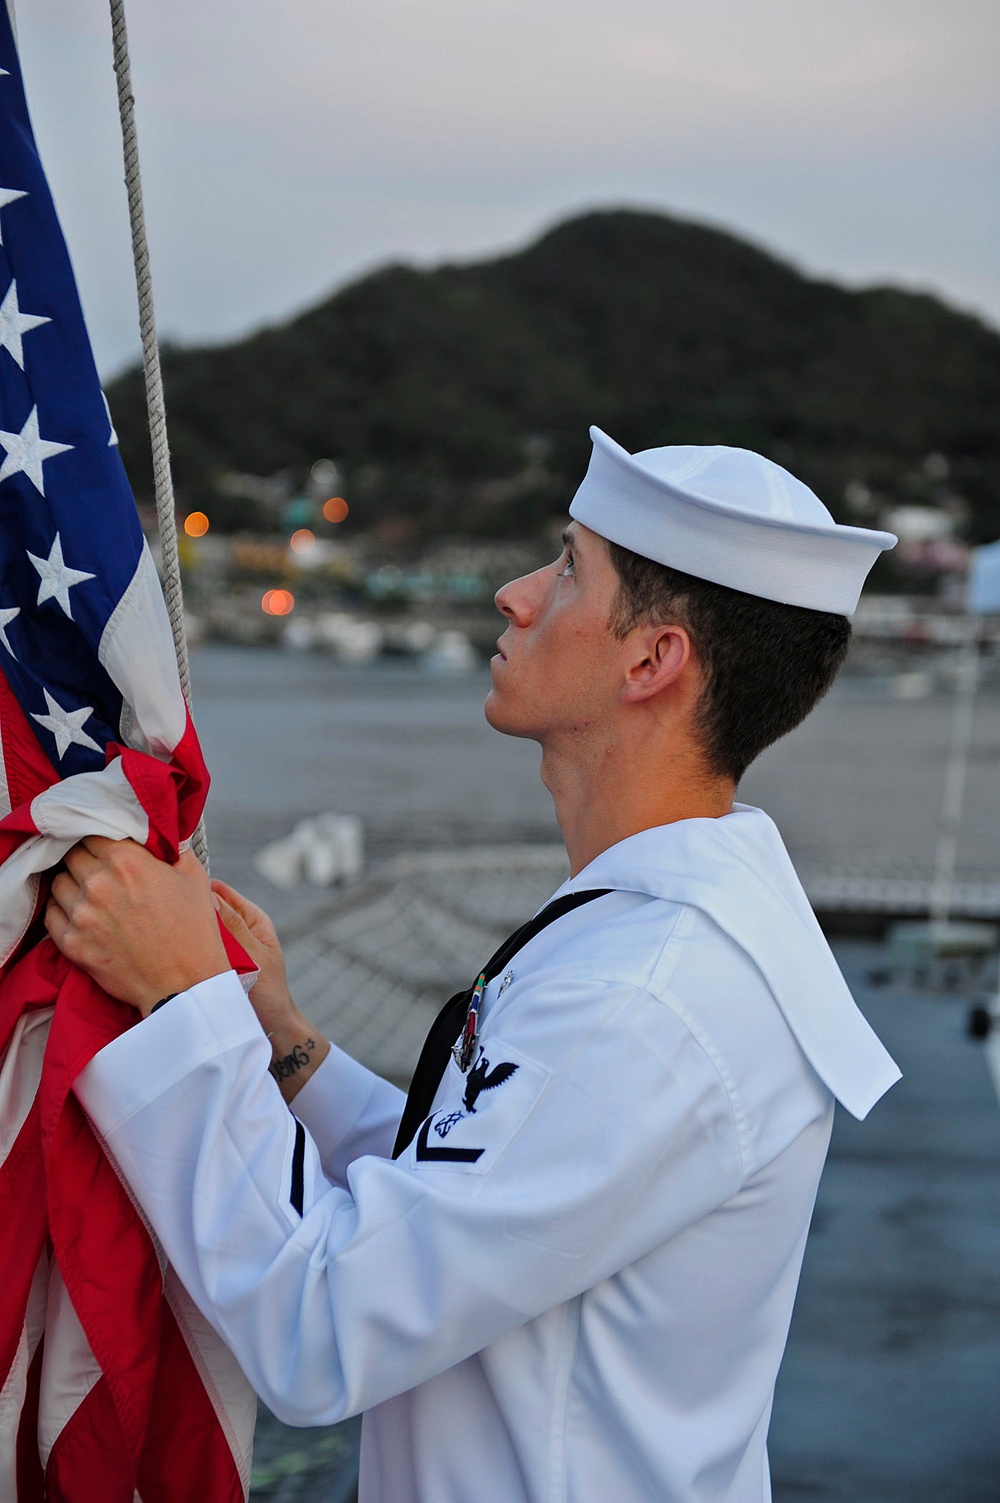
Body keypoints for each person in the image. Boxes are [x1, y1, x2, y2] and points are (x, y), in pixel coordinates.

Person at [49, 428, 900, 1503]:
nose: (512, 593)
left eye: (565, 566)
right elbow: (475, 1192)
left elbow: (321, 1331)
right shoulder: (650, 938)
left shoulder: (642, 1000)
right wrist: (287, 1046)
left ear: (652, 662)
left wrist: (181, 999)